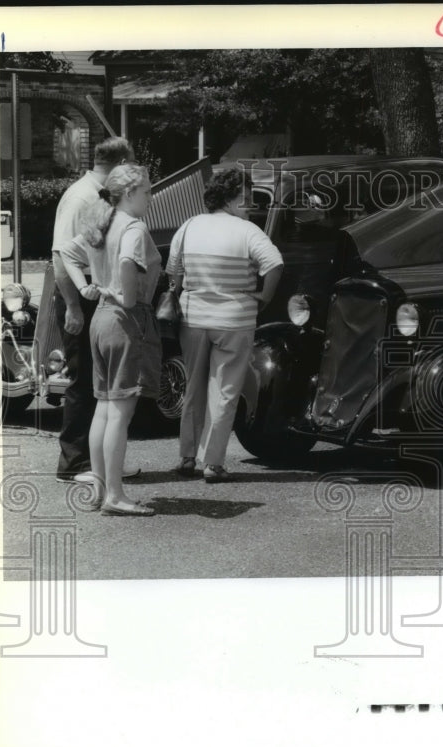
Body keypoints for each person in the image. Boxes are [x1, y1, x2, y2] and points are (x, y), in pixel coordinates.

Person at [167, 167, 283, 483]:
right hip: (235, 319)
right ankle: (213, 463)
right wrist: (262, 297)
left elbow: (174, 273)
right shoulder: (248, 232)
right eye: (245, 197)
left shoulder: (189, 226)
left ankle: (187, 456)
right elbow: (274, 264)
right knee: (225, 390)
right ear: (231, 198)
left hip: (193, 319)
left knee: (194, 387)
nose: (249, 205)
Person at [60, 165, 162, 516]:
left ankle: (101, 490)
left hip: (100, 320)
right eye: (147, 191)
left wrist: (89, 286)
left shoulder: (101, 224)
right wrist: (127, 296)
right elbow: (127, 262)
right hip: (126, 320)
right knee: (120, 412)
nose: (151, 197)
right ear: (131, 193)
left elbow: (66, 254)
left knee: (103, 408)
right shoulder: (132, 226)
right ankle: (115, 495)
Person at [51, 135, 140, 483]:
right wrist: (72, 306)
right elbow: (62, 255)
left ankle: (102, 460)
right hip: (82, 295)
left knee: (100, 382)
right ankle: (74, 462)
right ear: (119, 164)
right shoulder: (82, 197)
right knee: (83, 380)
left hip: (94, 293)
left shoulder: (99, 195)